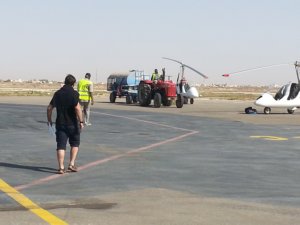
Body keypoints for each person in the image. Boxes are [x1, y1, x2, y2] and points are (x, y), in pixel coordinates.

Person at [47, 74, 84, 174]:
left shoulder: (57, 94)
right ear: (73, 83)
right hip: (72, 123)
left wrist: (49, 120)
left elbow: (49, 108)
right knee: (75, 144)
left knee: (61, 146)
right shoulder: (74, 94)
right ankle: (71, 164)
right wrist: (81, 121)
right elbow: (77, 108)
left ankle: (61, 167)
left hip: (60, 123)